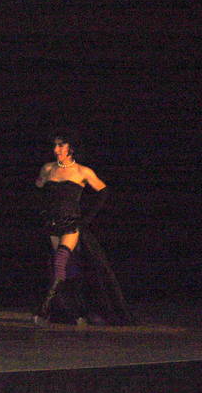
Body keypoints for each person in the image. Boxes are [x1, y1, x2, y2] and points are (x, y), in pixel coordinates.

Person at [33, 129, 135, 326]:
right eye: (55, 145)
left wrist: (86, 218)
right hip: (52, 224)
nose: (56, 149)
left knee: (60, 263)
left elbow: (103, 191)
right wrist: (43, 209)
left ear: (71, 148)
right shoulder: (48, 168)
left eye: (61, 145)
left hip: (71, 225)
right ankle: (76, 311)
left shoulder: (82, 171)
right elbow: (38, 189)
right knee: (66, 270)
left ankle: (43, 310)